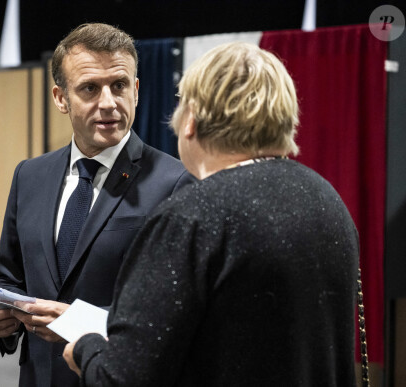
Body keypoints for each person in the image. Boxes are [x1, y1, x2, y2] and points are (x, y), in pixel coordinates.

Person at [63, 42, 360, 386]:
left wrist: (86, 347)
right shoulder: (327, 199)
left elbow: (121, 378)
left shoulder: (193, 217)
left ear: (191, 121)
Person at [0, 23, 194, 387]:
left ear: (136, 91)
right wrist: (3, 314)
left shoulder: (175, 182)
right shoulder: (29, 176)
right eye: (90, 88)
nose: (108, 102)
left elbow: (176, 312)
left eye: (119, 85)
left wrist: (79, 323)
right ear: (61, 98)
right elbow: (11, 277)